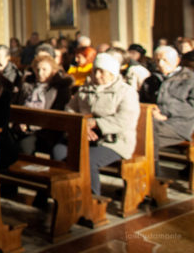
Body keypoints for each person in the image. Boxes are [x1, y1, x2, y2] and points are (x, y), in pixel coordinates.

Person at [56, 53, 140, 196]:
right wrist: (82, 127)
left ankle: (93, 199)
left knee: (87, 160)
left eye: (102, 71)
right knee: (58, 151)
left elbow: (125, 120)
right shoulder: (85, 88)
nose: (97, 75)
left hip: (114, 141)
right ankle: (66, 193)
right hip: (84, 136)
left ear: (112, 73)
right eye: (95, 70)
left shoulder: (126, 92)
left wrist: (95, 124)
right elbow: (70, 108)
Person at [14, 53, 72, 155]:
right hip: (23, 127)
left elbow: (58, 114)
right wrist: (20, 122)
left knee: (25, 146)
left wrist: (30, 126)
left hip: (46, 130)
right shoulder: (27, 85)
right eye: (37, 69)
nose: (40, 73)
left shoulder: (60, 88)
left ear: (53, 71)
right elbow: (17, 105)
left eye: (44, 69)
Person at [149, 46, 194, 173]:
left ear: (177, 61)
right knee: (139, 130)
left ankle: (153, 175)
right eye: (157, 61)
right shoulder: (152, 79)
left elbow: (192, 106)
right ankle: (140, 174)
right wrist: (151, 110)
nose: (161, 64)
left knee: (148, 133)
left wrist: (165, 114)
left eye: (164, 60)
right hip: (153, 119)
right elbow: (142, 100)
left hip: (180, 123)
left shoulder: (190, 79)